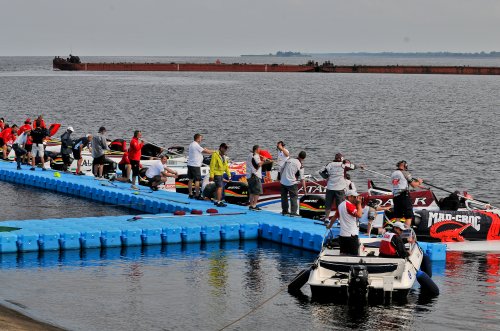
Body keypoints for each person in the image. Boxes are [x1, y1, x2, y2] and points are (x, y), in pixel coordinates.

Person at [321, 153, 362, 221]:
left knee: (328, 204)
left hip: (330, 187)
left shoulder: (329, 164)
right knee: (340, 205)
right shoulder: (343, 165)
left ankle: (327, 218)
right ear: (341, 159)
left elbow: (321, 171)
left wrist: (326, 177)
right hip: (340, 188)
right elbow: (353, 166)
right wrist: (360, 166)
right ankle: (340, 220)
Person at [327, 190, 363, 255]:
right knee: (354, 256)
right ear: (349, 197)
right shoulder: (349, 205)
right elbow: (359, 215)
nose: (356, 199)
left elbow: (334, 217)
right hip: (351, 235)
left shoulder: (341, 205)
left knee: (343, 254)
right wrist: (359, 204)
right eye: (355, 197)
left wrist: (329, 226)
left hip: (342, 235)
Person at [391, 160, 424, 227]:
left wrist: (417, 184)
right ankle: (406, 232)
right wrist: (419, 182)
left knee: (398, 216)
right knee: (408, 216)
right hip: (404, 196)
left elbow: (400, 183)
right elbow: (414, 185)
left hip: (395, 196)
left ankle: (397, 231)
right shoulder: (405, 173)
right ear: (404, 165)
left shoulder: (394, 173)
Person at [279, 151, 307, 216]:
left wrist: (281, 178)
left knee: (284, 197)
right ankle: (293, 212)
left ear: (298, 155)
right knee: (294, 197)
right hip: (291, 183)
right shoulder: (300, 165)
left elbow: (281, 169)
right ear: (303, 158)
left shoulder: (289, 160)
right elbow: (302, 179)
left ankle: (285, 211)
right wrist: (305, 190)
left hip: (283, 181)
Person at [187, 133, 213, 199]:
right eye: (201, 138)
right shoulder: (196, 145)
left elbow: (201, 150)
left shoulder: (191, 144)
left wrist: (204, 149)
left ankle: (190, 193)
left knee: (190, 179)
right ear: (198, 138)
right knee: (197, 180)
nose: (201, 139)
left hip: (190, 164)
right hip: (195, 165)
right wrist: (216, 151)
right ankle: (197, 195)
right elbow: (207, 152)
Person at [246, 145, 267, 211]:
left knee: (252, 192)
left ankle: (251, 205)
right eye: (259, 149)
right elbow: (259, 164)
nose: (260, 150)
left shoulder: (250, 155)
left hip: (249, 175)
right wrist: (264, 160)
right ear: (257, 149)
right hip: (255, 175)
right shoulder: (256, 156)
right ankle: (254, 206)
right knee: (257, 192)